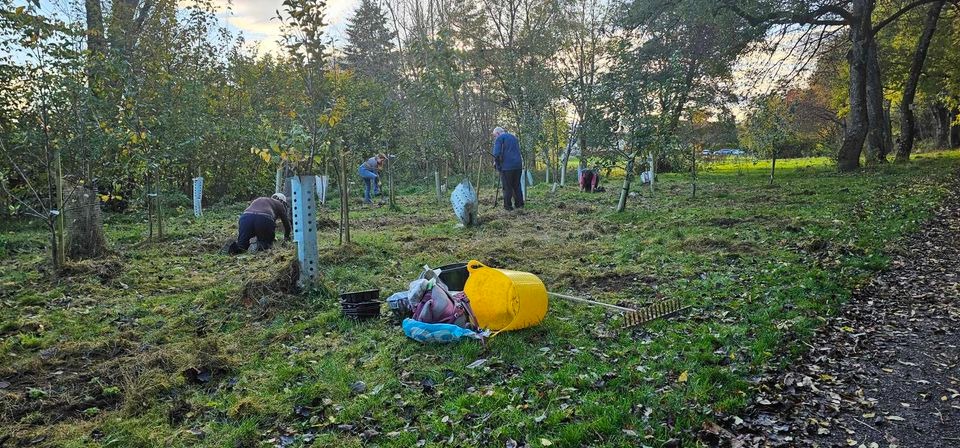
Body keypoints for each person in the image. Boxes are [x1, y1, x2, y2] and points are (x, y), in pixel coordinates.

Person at [491, 127, 524, 211]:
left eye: (495, 136)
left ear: (498, 133)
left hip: (507, 167)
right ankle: (519, 204)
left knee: (507, 187)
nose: (495, 138)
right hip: (518, 165)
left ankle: (508, 207)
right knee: (517, 185)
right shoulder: (514, 137)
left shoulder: (499, 138)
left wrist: (497, 165)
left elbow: (496, 153)